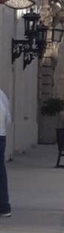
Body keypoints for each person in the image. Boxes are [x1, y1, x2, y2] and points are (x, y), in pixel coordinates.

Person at [0, 88, 12, 217]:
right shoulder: (2, 94)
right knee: (1, 172)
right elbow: (8, 118)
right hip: (1, 135)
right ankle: (4, 206)